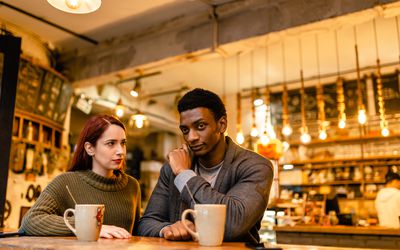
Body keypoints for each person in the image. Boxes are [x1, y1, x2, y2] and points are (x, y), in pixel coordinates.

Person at [138, 88, 273, 243]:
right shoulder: (171, 168)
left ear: (222, 125)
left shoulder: (256, 166)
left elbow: (232, 225)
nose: (191, 137)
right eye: (185, 130)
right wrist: (167, 229)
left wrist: (184, 174)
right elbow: (146, 223)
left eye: (200, 126)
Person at [20, 114, 141, 238]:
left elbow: (137, 235)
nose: (121, 151)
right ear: (90, 148)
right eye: (111, 143)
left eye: (123, 143)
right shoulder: (65, 182)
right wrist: (92, 226)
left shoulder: (132, 186)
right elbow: (30, 221)